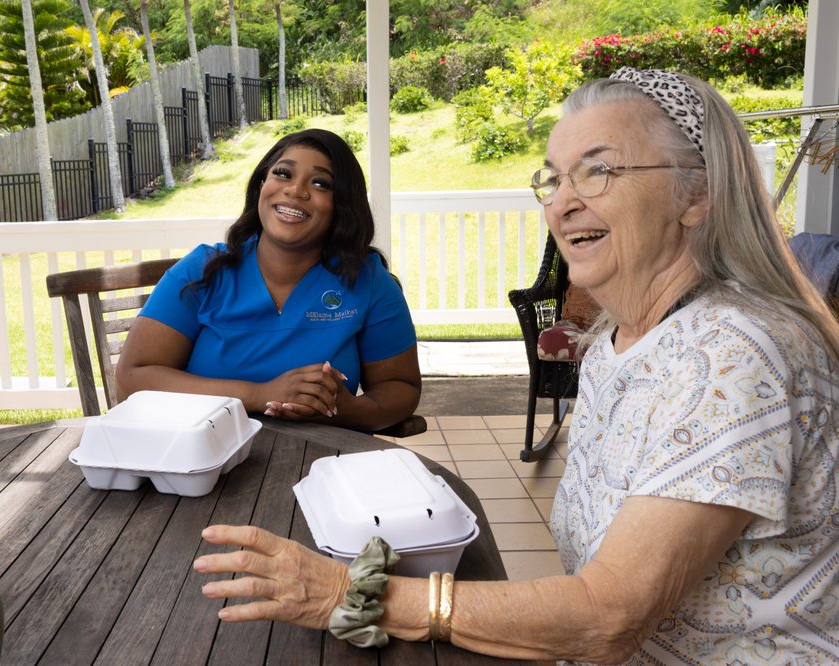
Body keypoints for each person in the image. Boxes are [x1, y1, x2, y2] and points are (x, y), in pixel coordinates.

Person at [190, 68, 839, 663]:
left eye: (598, 171)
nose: (561, 203)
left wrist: (346, 593)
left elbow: (608, 615)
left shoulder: (737, 351)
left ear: (696, 193)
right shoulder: (619, 342)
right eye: (555, 179)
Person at [116, 128, 421, 433]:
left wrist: (345, 410)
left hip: (322, 464)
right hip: (202, 464)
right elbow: (132, 380)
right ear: (262, 185)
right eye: (283, 174)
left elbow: (400, 388)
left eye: (320, 183)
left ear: (341, 205)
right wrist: (258, 395)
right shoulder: (203, 271)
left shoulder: (368, 281)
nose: (296, 190)